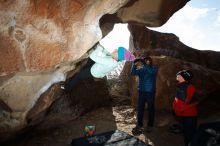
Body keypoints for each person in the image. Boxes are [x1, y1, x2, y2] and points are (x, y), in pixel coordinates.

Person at [61, 44, 135, 92]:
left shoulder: (110, 62)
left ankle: (67, 88)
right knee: (90, 62)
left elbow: (93, 56)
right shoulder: (117, 60)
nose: (115, 49)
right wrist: (103, 49)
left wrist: (99, 48)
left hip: (94, 71)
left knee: (79, 76)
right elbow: (108, 54)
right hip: (99, 68)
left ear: (118, 56)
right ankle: (84, 69)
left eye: (117, 51)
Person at [131, 56, 158, 135]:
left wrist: (144, 64)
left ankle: (150, 125)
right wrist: (134, 64)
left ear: (150, 61)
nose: (146, 62)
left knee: (151, 109)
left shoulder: (153, 68)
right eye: (145, 61)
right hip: (142, 92)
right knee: (140, 109)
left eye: (147, 61)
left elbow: (152, 72)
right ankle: (139, 124)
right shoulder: (141, 69)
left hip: (150, 92)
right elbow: (133, 72)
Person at [173, 70, 198, 146]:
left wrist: (182, 108)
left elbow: (194, 102)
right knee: (186, 133)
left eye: (179, 75)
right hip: (182, 115)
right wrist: (174, 106)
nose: (177, 76)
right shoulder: (179, 85)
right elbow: (177, 98)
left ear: (184, 77)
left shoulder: (190, 87)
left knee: (190, 134)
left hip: (189, 115)